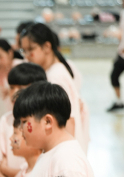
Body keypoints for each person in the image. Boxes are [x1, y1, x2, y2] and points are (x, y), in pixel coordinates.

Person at [20, 23, 88, 152]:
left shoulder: (55, 77)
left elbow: (69, 121)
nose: (27, 56)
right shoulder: (55, 71)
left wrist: (65, 157)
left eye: (31, 50)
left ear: (46, 47)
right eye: (24, 51)